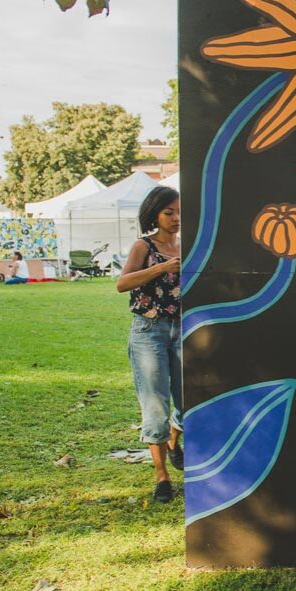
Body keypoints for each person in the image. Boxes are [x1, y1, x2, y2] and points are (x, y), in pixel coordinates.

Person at [115, 187, 183, 504]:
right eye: (169, 212)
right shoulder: (144, 246)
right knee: (155, 407)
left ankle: (174, 440)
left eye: (180, 212)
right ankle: (162, 477)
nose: (176, 218)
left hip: (184, 330)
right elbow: (122, 283)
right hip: (149, 331)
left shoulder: (189, 245)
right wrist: (160, 268)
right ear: (155, 213)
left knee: (189, 401)